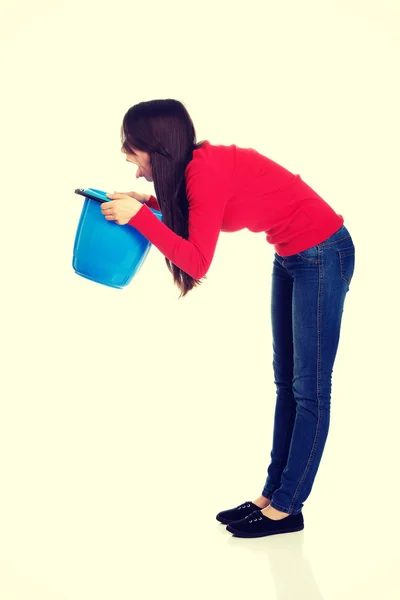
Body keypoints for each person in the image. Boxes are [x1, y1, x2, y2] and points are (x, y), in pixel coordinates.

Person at [101, 99, 356, 538]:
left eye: (134, 153)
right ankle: (274, 494)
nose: (133, 165)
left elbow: (196, 261)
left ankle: (288, 508)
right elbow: (203, 211)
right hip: (294, 256)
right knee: (287, 383)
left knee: (310, 389)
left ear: (157, 148)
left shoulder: (206, 169)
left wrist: (143, 216)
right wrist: (150, 202)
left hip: (322, 254)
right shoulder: (195, 170)